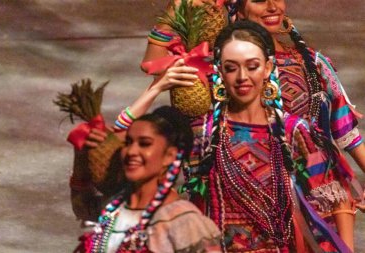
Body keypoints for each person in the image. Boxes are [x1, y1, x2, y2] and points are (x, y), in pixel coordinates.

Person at [77, 20, 355, 252]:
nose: (242, 77)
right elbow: (125, 141)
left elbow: (332, 202)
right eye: (231, 68)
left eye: (252, 66)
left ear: (268, 68)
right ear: (219, 72)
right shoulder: (203, 132)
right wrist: (156, 88)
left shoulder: (295, 132)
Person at [141, 0, 365, 212]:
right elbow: (153, 65)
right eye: (258, 0)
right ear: (236, 8)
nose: (272, 7)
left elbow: (347, 133)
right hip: (236, 203)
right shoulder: (215, 71)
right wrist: (178, 5)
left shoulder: (312, 63)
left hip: (317, 202)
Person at [72, 106, 221, 252]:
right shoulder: (113, 208)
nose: (131, 151)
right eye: (128, 142)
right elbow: (81, 206)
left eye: (145, 144)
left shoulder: (183, 220)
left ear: (170, 156)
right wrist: (81, 156)